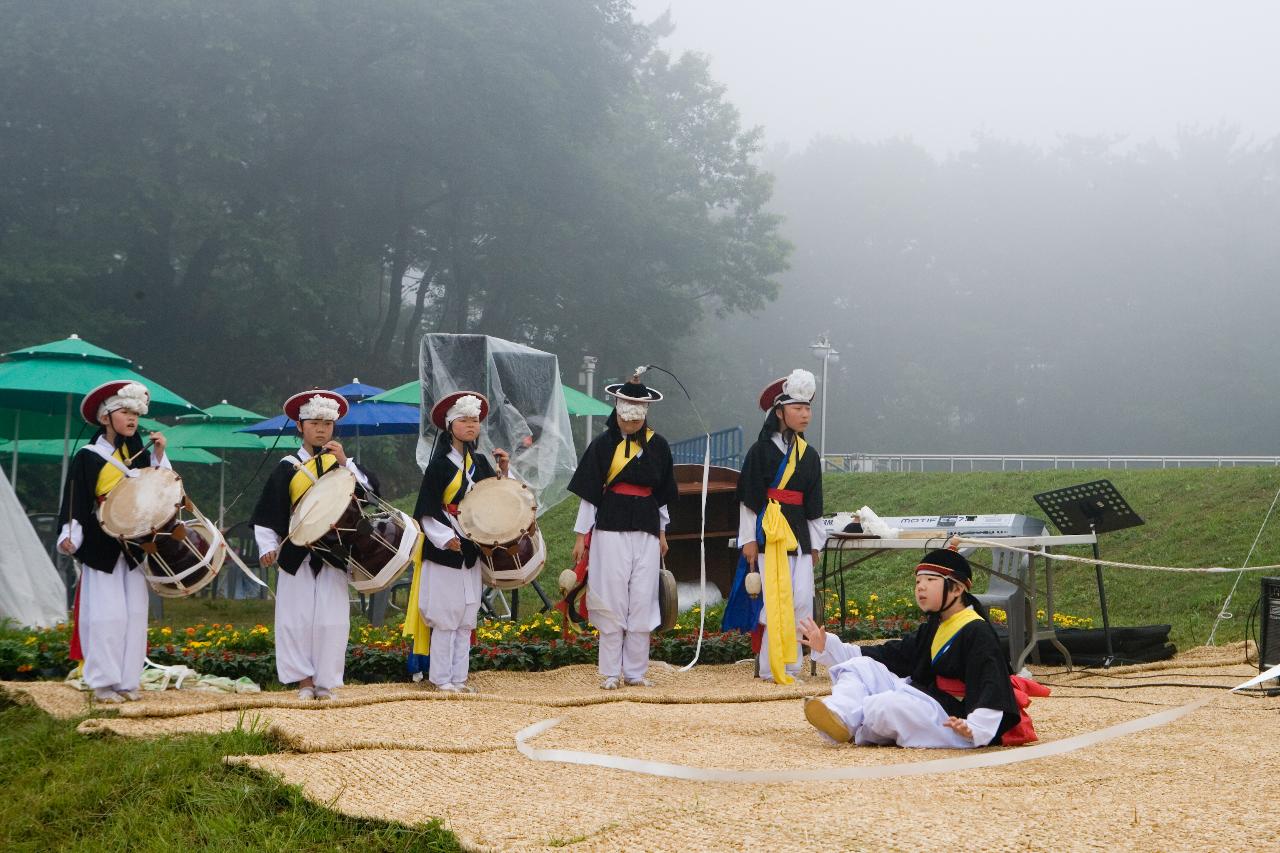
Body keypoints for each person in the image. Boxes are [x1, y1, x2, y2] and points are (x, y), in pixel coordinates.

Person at [798, 547, 1040, 748]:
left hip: (954, 717)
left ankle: (857, 722)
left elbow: (992, 682)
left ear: (957, 589)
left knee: (883, 706)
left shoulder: (977, 630)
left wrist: (975, 726)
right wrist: (828, 645)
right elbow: (890, 655)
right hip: (926, 698)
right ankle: (839, 715)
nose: (920, 587)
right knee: (859, 666)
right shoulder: (935, 626)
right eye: (918, 581)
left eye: (930, 580)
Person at [251, 389, 370, 700]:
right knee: (296, 620)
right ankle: (304, 682)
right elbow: (267, 513)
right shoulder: (287, 466)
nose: (321, 429)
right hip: (297, 553)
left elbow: (368, 495)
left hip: (333, 553)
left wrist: (345, 462)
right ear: (300, 426)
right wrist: (267, 545)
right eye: (315, 423)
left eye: (327, 424)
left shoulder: (341, 466)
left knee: (332, 621)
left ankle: (326, 683)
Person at [57, 381, 169, 704]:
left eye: (136, 413)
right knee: (107, 615)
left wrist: (160, 456)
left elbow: (159, 491)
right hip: (101, 543)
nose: (132, 419)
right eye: (124, 412)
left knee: (134, 613)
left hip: (133, 543)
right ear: (106, 417)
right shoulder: (88, 458)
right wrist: (70, 535)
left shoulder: (141, 455)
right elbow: (76, 500)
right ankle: (103, 683)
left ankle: (127, 681)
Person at [568, 370, 677, 689]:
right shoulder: (602, 445)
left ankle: (635, 671)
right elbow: (589, 495)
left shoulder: (659, 446)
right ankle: (611, 672)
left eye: (635, 417)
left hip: (645, 526)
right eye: (625, 416)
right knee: (612, 597)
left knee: (642, 597)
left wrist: (662, 532)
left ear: (644, 414)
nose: (630, 423)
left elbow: (662, 497)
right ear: (617, 411)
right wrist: (580, 536)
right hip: (610, 526)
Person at [411, 391, 510, 693]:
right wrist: (445, 538)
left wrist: (503, 472)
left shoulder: (480, 462)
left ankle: (459, 678)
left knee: (466, 615)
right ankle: (441, 679)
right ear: (451, 425)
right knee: (446, 615)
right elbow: (426, 510)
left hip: (472, 544)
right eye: (465, 420)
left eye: (475, 420)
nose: (471, 425)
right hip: (446, 545)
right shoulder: (439, 466)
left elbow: (496, 499)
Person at [736, 369, 825, 684]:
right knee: (774, 599)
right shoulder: (760, 452)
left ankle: (791, 667)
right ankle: (769, 667)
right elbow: (749, 499)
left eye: (808, 408)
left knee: (801, 599)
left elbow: (814, 504)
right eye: (798, 409)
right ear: (779, 412)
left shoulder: (809, 455)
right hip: (768, 534)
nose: (805, 415)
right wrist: (748, 539)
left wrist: (815, 544)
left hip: (798, 535)